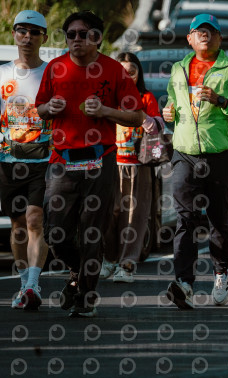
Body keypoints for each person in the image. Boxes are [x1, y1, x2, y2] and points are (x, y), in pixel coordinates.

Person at [36, 10, 145, 318]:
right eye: (71, 34)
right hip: (62, 160)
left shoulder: (113, 70)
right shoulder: (56, 68)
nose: (76, 40)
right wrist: (49, 107)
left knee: (92, 232)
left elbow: (137, 116)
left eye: (83, 34)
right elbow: (39, 109)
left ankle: (86, 294)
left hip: (100, 158)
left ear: (96, 38)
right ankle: (76, 272)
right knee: (55, 233)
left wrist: (106, 111)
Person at [162, 14, 228, 310]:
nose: (205, 35)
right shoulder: (178, 69)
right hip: (184, 152)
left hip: (219, 154)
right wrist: (168, 112)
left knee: (218, 219)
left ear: (219, 38)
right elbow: (173, 103)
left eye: (210, 31)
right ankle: (184, 283)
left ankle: (220, 276)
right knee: (185, 219)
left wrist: (221, 100)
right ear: (189, 38)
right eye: (199, 31)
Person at [0, 10, 51, 310]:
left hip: (43, 161)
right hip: (7, 160)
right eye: (22, 31)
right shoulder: (3, 74)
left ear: (44, 37)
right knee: (18, 224)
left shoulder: (52, 73)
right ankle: (23, 283)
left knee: (35, 220)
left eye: (34, 32)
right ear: (14, 34)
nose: (27, 37)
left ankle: (33, 284)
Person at [100, 52, 163, 283]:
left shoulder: (146, 97)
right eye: (123, 71)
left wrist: (144, 117)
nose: (128, 76)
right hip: (111, 163)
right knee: (110, 212)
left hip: (139, 166)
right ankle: (109, 259)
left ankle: (127, 264)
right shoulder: (109, 97)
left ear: (139, 74)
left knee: (135, 215)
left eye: (132, 71)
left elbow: (158, 126)